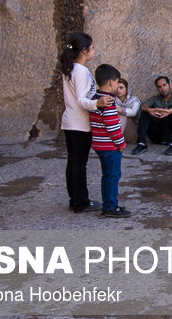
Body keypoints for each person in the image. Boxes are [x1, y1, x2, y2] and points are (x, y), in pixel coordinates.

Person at [59, 32, 114, 213]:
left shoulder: (70, 68)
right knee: (79, 164)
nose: (93, 51)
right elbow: (83, 100)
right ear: (84, 51)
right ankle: (81, 202)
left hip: (70, 122)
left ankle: (75, 199)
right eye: (92, 48)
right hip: (80, 124)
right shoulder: (81, 71)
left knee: (73, 163)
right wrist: (97, 103)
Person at [90, 64, 131, 218]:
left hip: (99, 144)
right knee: (112, 175)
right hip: (109, 146)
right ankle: (110, 207)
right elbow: (113, 125)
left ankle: (109, 204)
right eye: (117, 82)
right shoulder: (108, 101)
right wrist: (121, 143)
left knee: (107, 175)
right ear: (112, 82)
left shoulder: (95, 98)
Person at [132, 76, 172, 155]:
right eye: (159, 87)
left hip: (170, 135)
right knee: (144, 113)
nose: (162, 88)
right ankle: (141, 144)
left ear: (169, 85)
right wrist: (150, 110)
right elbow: (143, 106)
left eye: (164, 85)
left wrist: (171, 111)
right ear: (157, 89)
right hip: (156, 136)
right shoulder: (155, 99)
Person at [115, 77, 141, 142]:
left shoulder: (134, 100)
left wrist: (119, 110)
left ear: (127, 89)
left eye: (121, 88)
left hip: (130, 131)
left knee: (122, 115)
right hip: (114, 131)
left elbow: (133, 112)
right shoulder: (112, 99)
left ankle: (118, 140)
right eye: (116, 88)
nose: (118, 90)